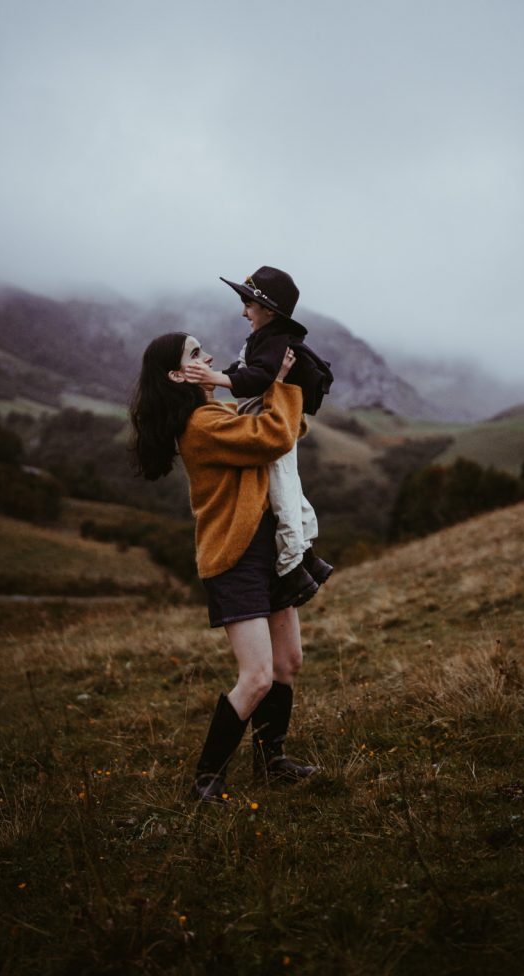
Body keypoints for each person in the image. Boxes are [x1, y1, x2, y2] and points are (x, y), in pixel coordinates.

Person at [130, 331, 318, 803]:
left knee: (287, 663)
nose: (209, 357)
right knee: (256, 677)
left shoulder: (218, 413)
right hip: (234, 559)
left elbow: (288, 430)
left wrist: (280, 392)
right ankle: (206, 779)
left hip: (267, 550)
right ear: (178, 375)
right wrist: (277, 381)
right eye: (196, 355)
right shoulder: (201, 425)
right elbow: (276, 435)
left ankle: (271, 761)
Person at [182, 266, 333, 610]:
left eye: (248, 304)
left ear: (267, 310)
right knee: (290, 494)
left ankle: (293, 567)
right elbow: (246, 372)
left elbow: (257, 377)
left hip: (269, 427)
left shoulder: (275, 342)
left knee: (283, 496)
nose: (243, 311)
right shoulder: (264, 339)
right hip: (266, 419)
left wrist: (214, 377)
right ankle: (306, 558)